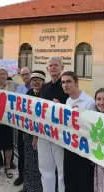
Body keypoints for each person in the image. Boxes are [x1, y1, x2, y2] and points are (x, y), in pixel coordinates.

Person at [61, 71, 95, 192]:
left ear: (76, 83)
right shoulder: (68, 101)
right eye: (63, 82)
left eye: (69, 81)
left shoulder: (89, 102)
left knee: (83, 183)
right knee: (69, 182)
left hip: (84, 150)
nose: (65, 85)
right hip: (70, 146)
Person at [39, 56, 69, 192]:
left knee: (62, 170)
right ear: (47, 69)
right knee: (45, 169)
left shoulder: (66, 87)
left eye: (56, 65)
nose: (53, 67)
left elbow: (72, 110)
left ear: (62, 67)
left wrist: (60, 107)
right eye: (50, 65)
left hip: (61, 135)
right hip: (44, 133)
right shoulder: (44, 87)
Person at [0, 68, 20, 181]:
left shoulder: (12, 85)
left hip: (7, 121)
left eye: (4, 73)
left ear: (7, 75)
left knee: (7, 146)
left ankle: (7, 167)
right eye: (0, 74)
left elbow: (25, 89)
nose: (2, 75)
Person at [21, 70, 45, 192]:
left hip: (42, 135)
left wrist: (36, 135)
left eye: (38, 80)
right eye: (33, 80)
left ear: (43, 82)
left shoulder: (45, 94)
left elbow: (42, 117)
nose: (35, 82)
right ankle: (29, 187)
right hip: (29, 133)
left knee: (41, 163)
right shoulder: (29, 93)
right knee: (29, 162)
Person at [13, 67, 31, 187]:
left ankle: (32, 180)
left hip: (36, 128)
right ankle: (21, 176)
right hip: (22, 125)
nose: (25, 76)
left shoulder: (41, 88)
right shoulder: (20, 88)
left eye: (27, 74)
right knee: (22, 153)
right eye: (22, 75)